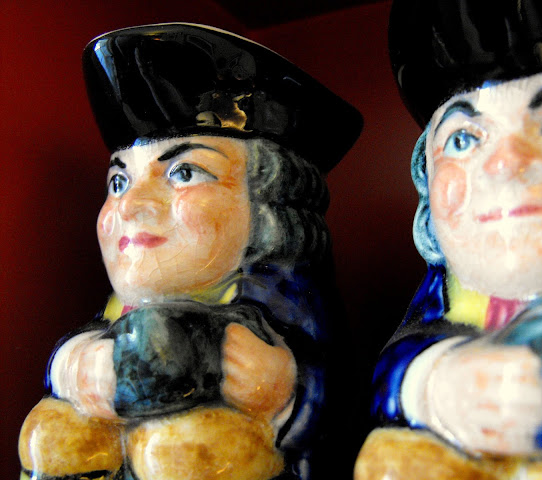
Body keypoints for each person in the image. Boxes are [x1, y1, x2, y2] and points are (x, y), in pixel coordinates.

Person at [18, 23, 362, 480]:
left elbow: (330, 397)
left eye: (184, 173)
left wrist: (275, 382)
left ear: (269, 205)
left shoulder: (284, 309)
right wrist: (75, 363)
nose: (131, 205)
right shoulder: (120, 311)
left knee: (182, 452)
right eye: (119, 181)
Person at [355, 1, 542, 479]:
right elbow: (397, 368)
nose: (505, 163)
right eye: (463, 139)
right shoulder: (449, 300)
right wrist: (440, 386)